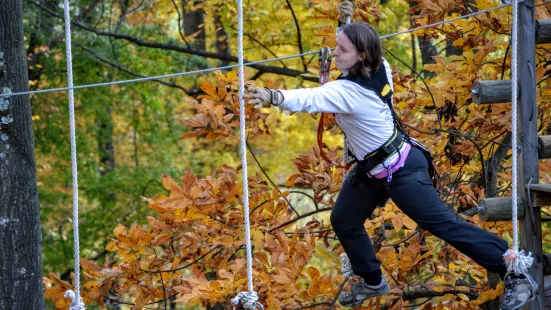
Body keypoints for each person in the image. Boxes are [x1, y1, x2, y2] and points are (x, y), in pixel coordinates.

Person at [244, 2, 537, 309]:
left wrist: (272, 96)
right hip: (373, 168)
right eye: (336, 47)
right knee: (343, 219)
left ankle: (513, 270)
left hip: (402, 170)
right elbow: (353, 43)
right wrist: (346, 21)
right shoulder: (378, 67)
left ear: (360, 56)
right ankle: (372, 281)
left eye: (341, 50)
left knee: (443, 225)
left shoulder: (349, 92)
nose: (334, 53)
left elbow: (310, 98)